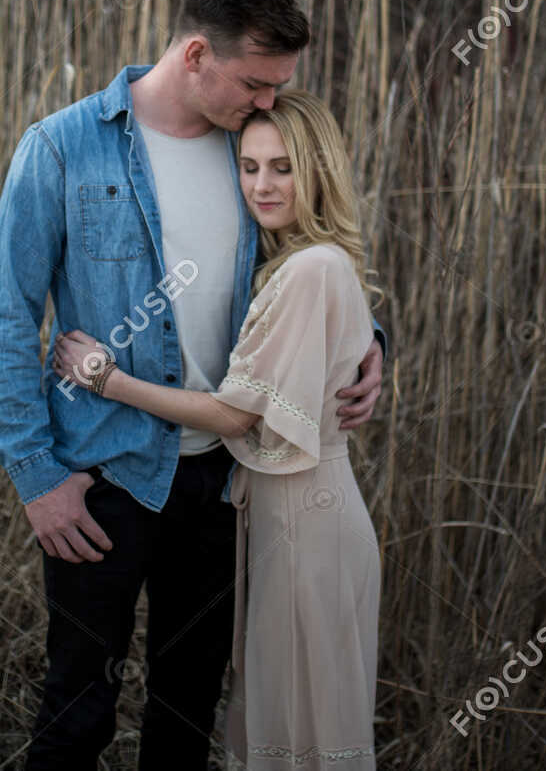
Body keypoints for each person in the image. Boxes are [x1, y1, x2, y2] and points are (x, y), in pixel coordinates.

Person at [0, 0, 389, 770]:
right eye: (256, 82)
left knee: (187, 709)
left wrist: (370, 340)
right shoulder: (63, 148)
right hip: (103, 477)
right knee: (76, 709)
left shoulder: (254, 148)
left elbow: (306, 261)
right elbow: (6, 318)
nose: (269, 103)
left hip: (222, 481)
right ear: (196, 54)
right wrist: (35, 475)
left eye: (279, 88)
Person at [52, 88, 386, 770]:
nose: (262, 185)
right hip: (280, 521)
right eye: (251, 166)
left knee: (304, 730)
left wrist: (105, 379)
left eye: (284, 168)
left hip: (307, 528)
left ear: (318, 169)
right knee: (284, 722)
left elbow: (235, 413)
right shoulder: (295, 263)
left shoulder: (313, 268)